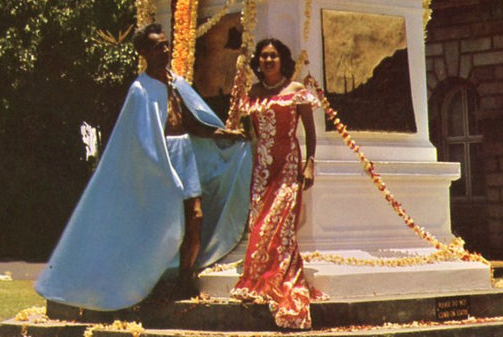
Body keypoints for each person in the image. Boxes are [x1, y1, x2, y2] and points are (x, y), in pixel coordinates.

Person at [36, 23, 251, 310]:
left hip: (183, 154)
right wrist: (165, 173)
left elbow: (191, 123)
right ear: (144, 52)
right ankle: (151, 280)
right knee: (162, 226)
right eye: (157, 46)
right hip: (159, 165)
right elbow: (143, 139)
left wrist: (225, 135)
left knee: (196, 217)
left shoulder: (177, 83)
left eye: (165, 44)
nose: (165, 50)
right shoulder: (140, 89)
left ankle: (185, 278)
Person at [230, 38, 323, 330]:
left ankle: (278, 279)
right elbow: (244, 131)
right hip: (262, 167)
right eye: (264, 57)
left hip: (288, 164)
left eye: (273, 56)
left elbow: (309, 131)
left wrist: (309, 164)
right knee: (260, 222)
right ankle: (260, 278)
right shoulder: (254, 93)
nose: (268, 61)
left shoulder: (295, 91)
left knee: (281, 222)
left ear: (282, 59)